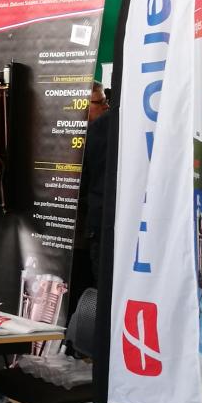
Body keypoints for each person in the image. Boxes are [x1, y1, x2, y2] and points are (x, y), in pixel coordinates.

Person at [79, 83, 110, 283]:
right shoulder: (96, 132)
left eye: (105, 101)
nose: (106, 106)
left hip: (96, 225)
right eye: (100, 102)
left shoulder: (100, 130)